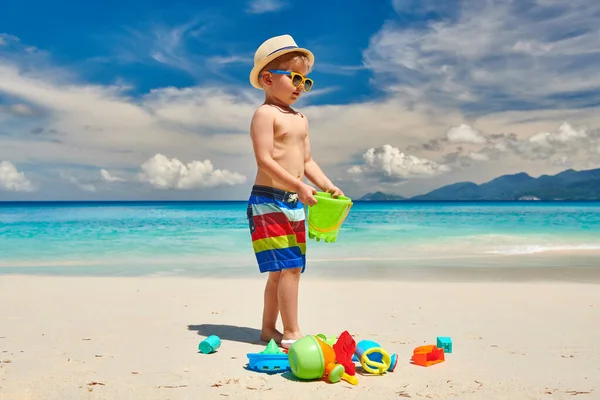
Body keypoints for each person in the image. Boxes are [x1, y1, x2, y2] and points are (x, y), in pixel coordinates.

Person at [246, 34, 343, 348]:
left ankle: (267, 330)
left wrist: (326, 185)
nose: (301, 85)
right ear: (268, 79)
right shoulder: (266, 114)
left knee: (285, 269)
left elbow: (307, 160)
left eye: (306, 80)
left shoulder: (300, 119)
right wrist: (299, 185)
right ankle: (291, 333)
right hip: (268, 200)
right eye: (295, 77)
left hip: (294, 200)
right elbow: (264, 159)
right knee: (288, 267)